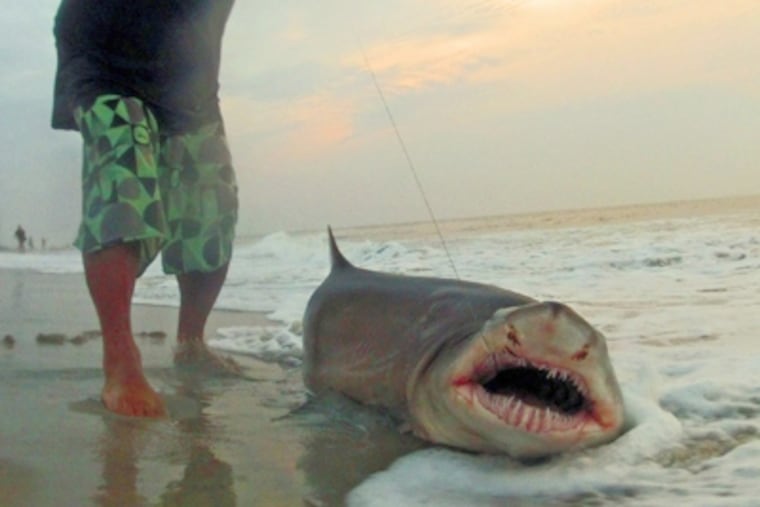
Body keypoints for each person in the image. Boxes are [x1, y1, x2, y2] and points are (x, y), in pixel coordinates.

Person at [52, 0, 239, 417]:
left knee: (211, 206)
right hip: (103, 55)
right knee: (125, 177)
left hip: (187, 73)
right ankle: (120, 359)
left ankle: (191, 343)